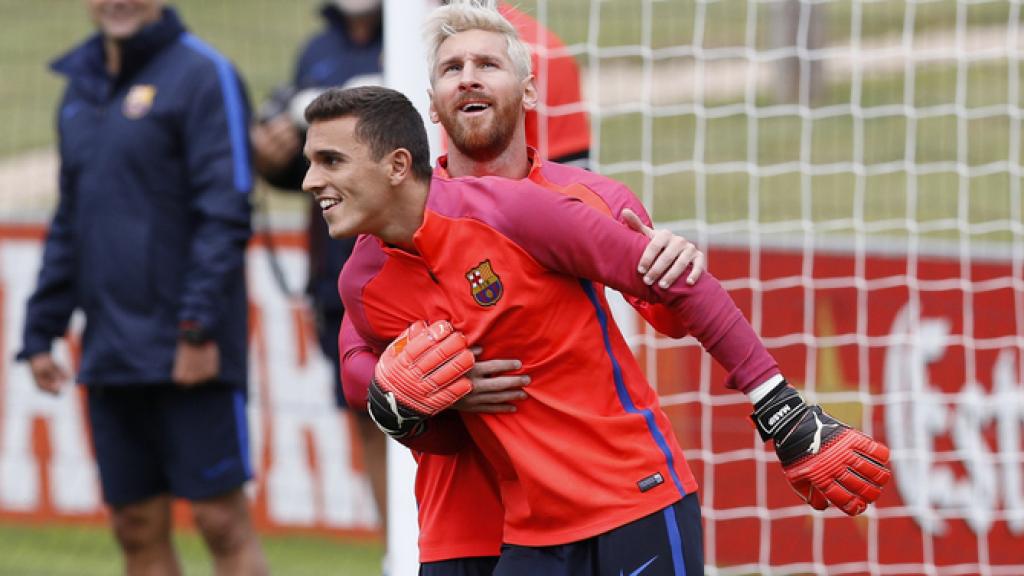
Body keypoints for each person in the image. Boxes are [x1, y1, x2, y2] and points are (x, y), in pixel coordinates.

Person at [305, 85, 892, 575]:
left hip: (635, 501)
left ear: (397, 164)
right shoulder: (364, 279)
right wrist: (404, 408)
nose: (310, 181)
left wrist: (780, 407)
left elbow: (679, 284)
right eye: (311, 161)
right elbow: (437, 430)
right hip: (529, 531)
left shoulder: (517, 212)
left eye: (330, 161)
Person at [337, 2, 706, 573]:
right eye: (452, 67)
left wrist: (679, 266)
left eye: (487, 63)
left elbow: (673, 317)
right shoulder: (400, 221)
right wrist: (421, 387)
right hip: (457, 521)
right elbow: (354, 361)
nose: (469, 78)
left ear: (528, 91)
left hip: (585, 508)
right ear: (432, 103)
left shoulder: (587, 197)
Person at [17, 1, 267, 574]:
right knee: (134, 527)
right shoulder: (78, 88)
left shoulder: (206, 74)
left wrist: (197, 325)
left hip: (191, 345)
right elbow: (71, 220)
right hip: (110, 348)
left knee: (220, 521)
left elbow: (227, 210)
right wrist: (40, 330)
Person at [248, 0, 390, 540]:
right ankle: (396, 556)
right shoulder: (316, 51)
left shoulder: (432, 31)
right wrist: (274, 157)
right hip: (339, 271)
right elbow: (309, 173)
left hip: (424, 260)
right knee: (373, 418)